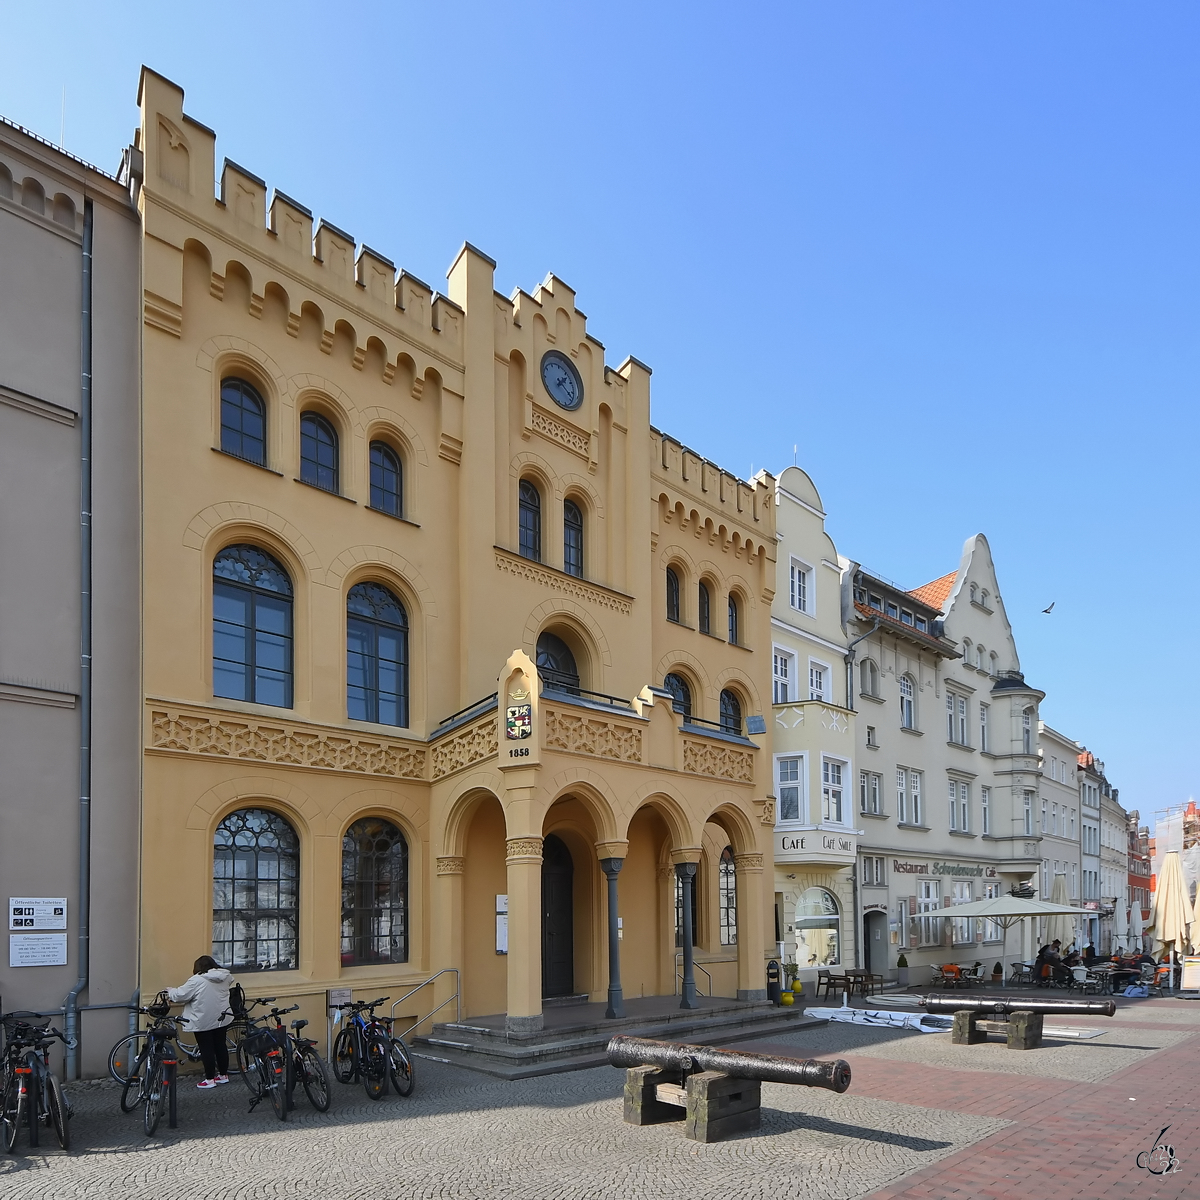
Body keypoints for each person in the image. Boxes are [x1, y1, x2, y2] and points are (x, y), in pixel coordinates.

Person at [168, 955, 234, 1089]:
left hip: (203, 1019)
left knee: (206, 1048)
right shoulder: (225, 977)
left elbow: (181, 995)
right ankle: (223, 1075)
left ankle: (210, 1079)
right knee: (220, 1045)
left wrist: (170, 991)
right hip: (222, 1017)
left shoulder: (197, 980)